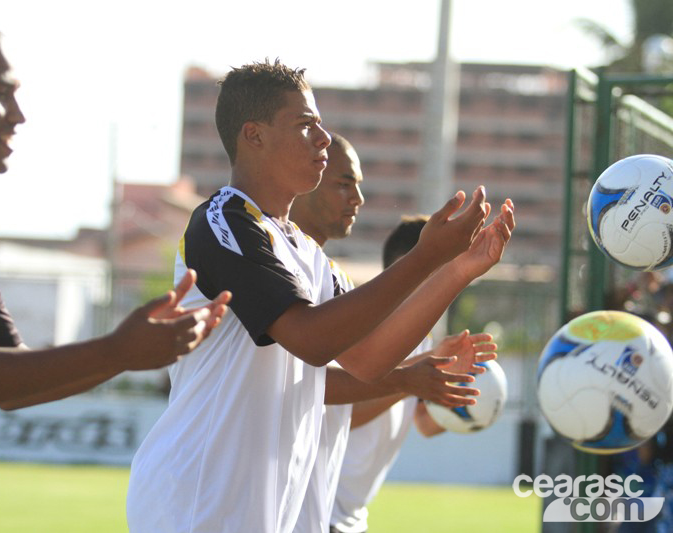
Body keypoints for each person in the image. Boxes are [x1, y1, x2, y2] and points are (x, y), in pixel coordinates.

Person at [0, 16, 230, 533]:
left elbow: (11, 383)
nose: (18, 115)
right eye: (0, 95)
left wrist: (133, 349)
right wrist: (119, 351)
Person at [126, 58, 514, 532]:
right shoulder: (223, 220)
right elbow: (311, 340)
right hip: (194, 509)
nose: (324, 138)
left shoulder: (309, 254)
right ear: (255, 135)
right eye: (306, 124)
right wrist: (426, 257)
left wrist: (457, 270)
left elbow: (368, 360)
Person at [289, 134, 497, 533]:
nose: (358, 198)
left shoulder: (416, 340)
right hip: (318, 511)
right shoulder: (357, 319)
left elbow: (425, 423)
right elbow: (329, 405)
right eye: (430, 267)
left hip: (344, 517)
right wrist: (410, 378)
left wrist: (475, 402)